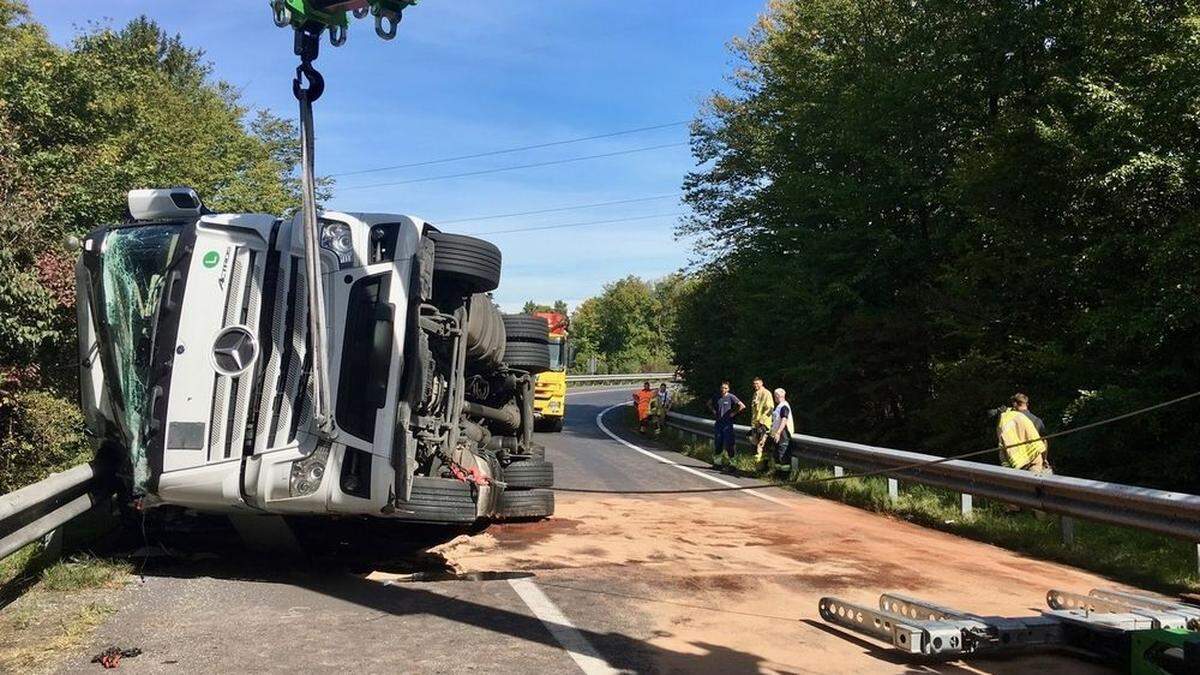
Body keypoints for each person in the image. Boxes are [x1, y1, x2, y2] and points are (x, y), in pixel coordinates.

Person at [997, 393, 1050, 473]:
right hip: (1034, 460)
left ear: (1014, 404)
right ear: (1027, 404)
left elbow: (1002, 439)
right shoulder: (1036, 420)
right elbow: (1044, 442)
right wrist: (1045, 459)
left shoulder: (1007, 419)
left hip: (1016, 462)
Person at [707, 381, 745, 472]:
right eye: (722, 388)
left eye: (725, 388)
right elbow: (708, 403)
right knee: (718, 443)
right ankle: (717, 463)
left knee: (729, 444)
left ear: (728, 389)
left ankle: (733, 464)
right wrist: (713, 411)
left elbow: (742, 406)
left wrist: (733, 413)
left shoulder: (731, 397)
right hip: (718, 423)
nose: (723, 389)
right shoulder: (717, 396)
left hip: (727, 424)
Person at [769, 387, 795, 473]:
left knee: (782, 454)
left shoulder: (784, 406)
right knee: (777, 454)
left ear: (777, 395)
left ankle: (784, 476)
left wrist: (778, 432)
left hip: (783, 433)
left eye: (775, 395)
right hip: (779, 434)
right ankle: (778, 474)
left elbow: (784, 419)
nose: (774, 397)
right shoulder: (779, 407)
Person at [749, 377, 773, 464]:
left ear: (762, 383)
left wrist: (762, 421)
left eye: (757, 383)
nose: (755, 385)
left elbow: (770, 409)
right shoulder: (755, 394)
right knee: (754, 446)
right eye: (754, 384)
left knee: (760, 445)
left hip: (763, 424)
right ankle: (757, 466)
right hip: (755, 424)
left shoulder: (766, 393)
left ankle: (760, 467)